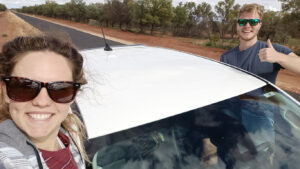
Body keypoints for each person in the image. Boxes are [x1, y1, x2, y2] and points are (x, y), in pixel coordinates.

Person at [0, 36, 88, 168]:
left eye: (60, 89)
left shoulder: (68, 137)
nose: (42, 102)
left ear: (73, 95)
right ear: (6, 91)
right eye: (25, 86)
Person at [220, 3, 300, 84]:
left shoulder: (272, 50)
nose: (247, 25)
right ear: (237, 25)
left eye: (253, 22)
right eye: (242, 21)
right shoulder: (226, 57)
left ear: (259, 25)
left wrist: (278, 56)